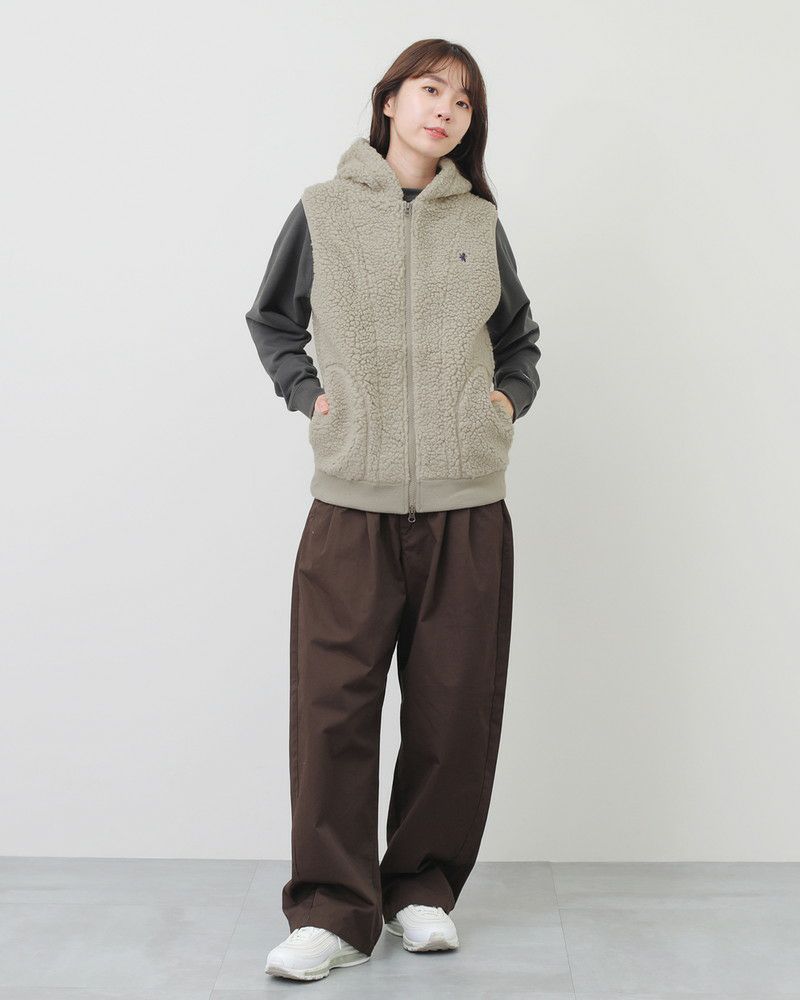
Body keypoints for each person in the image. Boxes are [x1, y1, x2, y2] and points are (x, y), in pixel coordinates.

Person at [245, 38, 541, 983]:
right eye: (429, 88)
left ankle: (421, 890)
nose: (445, 109)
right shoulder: (324, 211)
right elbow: (273, 321)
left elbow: (519, 340)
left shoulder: (479, 221)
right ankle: (332, 912)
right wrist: (313, 398)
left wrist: (501, 405)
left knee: (455, 709)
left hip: (466, 505)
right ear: (389, 101)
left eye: (463, 100)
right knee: (331, 710)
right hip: (352, 503)